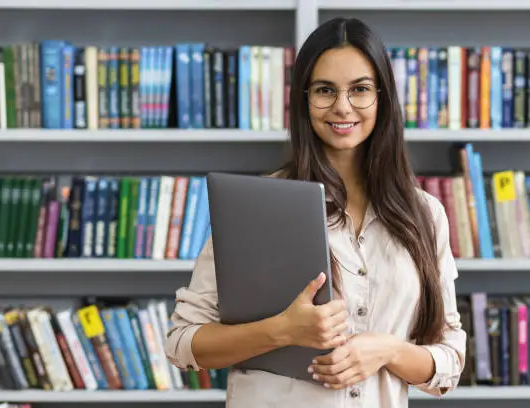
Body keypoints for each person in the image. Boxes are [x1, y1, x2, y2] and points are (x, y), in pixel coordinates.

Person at [164, 17, 466, 408]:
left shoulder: (425, 214)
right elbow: (182, 344)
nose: (342, 106)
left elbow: (450, 361)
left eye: (360, 89)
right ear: (305, 99)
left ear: (383, 98)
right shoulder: (259, 208)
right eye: (325, 90)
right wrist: (282, 330)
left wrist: (387, 351)